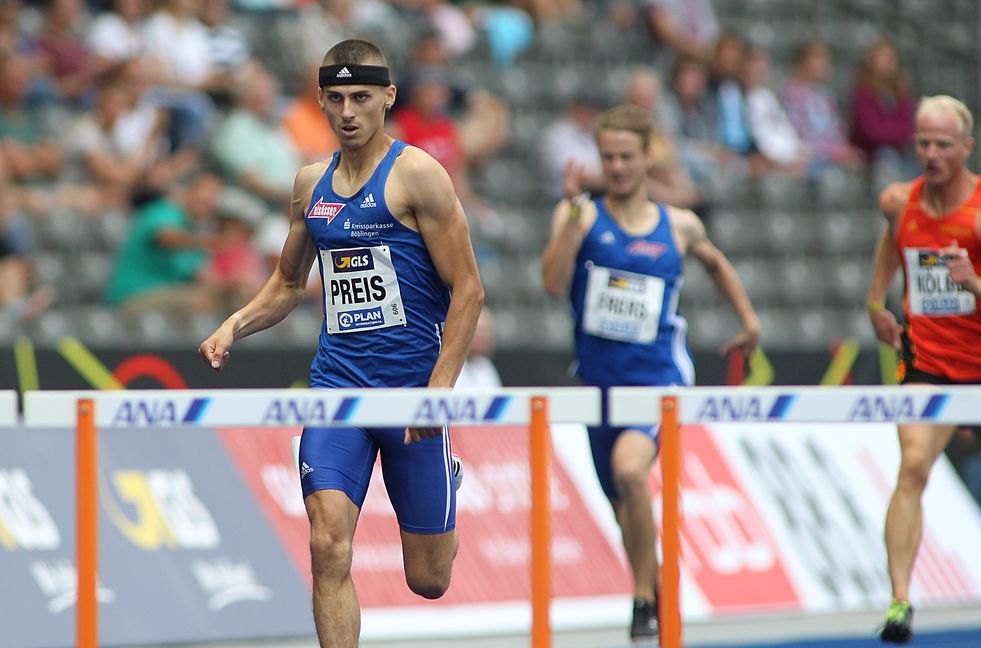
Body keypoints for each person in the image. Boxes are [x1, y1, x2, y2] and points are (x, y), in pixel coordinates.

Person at [197, 39, 484, 648]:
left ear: (388, 97)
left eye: (360, 97)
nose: (347, 112)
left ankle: (444, 479)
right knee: (327, 542)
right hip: (337, 389)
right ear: (321, 102)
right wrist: (234, 324)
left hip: (410, 393)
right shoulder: (310, 184)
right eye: (335, 98)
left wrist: (437, 392)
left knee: (429, 579)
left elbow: (468, 291)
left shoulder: (418, 175)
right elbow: (287, 284)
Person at [540, 104, 759, 642]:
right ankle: (656, 584)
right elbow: (551, 282)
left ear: (647, 158)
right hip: (597, 386)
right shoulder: (580, 215)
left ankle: (641, 599)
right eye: (608, 157)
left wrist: (749, 322)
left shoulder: (679, 224)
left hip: (658, 381)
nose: (617, 167)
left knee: (630, 472)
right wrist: (571, 220)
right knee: (624, 506)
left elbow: (716, 263)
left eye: (626, 157)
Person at [866, 95, 981, 644]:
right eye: (923, 142)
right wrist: (875, 301)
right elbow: (892, 242)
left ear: (966, 148)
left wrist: (974, 283)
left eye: (943, 145)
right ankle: (900, 603)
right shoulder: (898, 201)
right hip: (928, 364)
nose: (931, 153)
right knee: (912, 466)